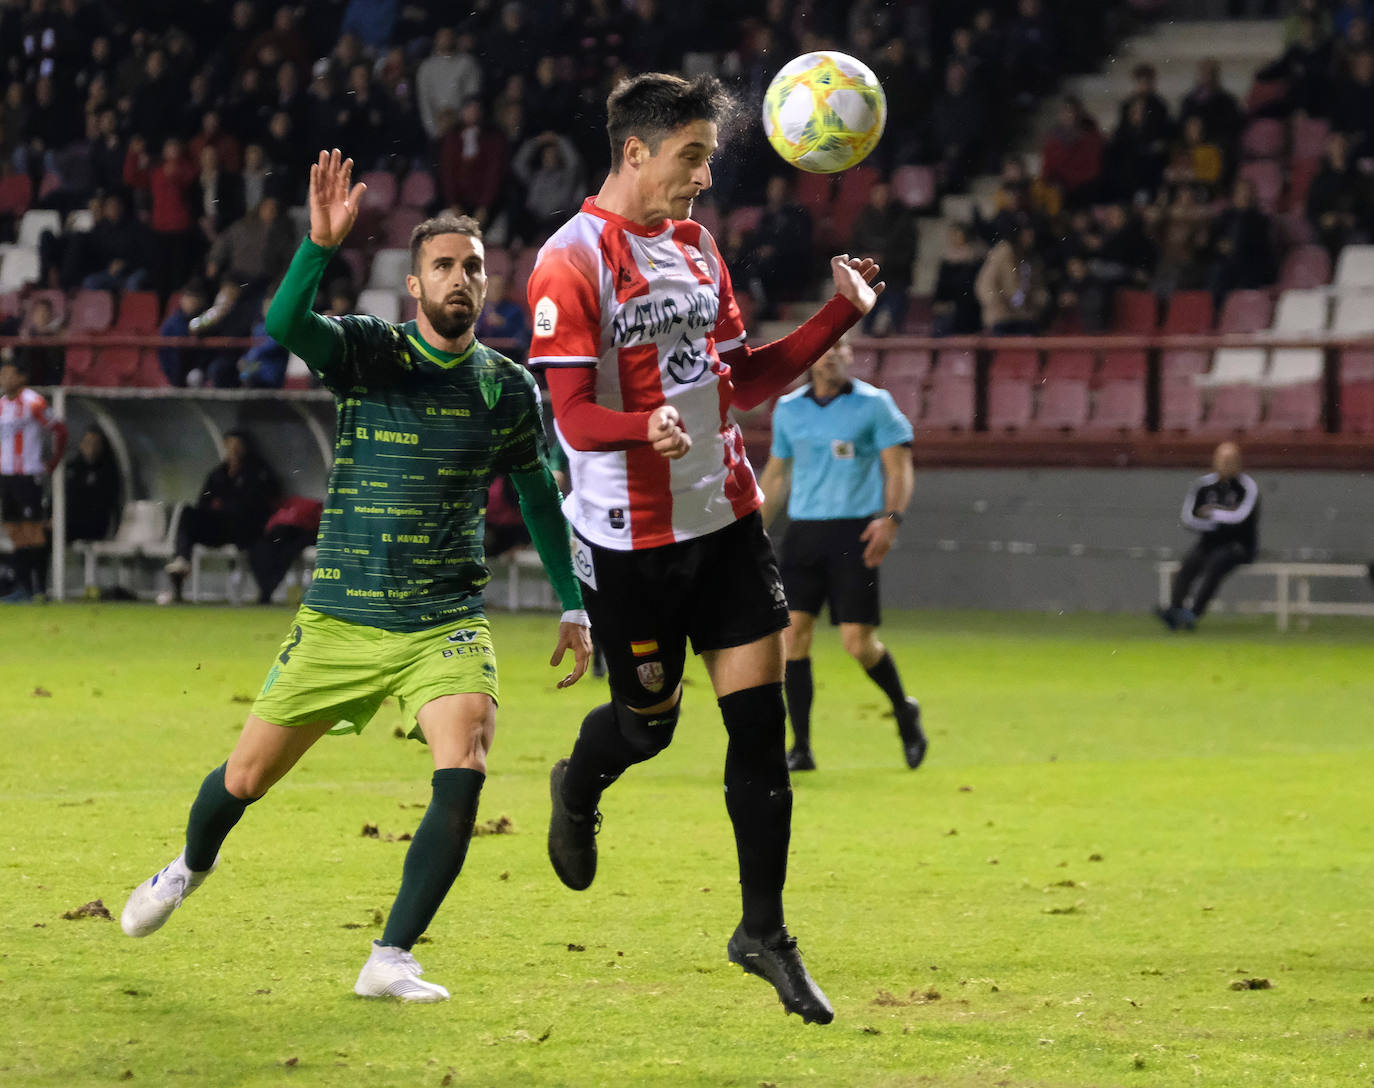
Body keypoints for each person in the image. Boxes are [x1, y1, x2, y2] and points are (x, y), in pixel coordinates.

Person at [122, 150, 593, 1003]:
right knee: (245, 779)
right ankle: (187, 867)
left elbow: (534, 494)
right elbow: (286, 326)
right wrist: (316, 245)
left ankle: (391, 956)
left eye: (473, 267)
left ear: (489, 286)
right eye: (443, 266)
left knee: (470, 754)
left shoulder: (507, 388)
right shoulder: (373, 354)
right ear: (413, 287)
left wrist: (572, 602)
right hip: (341, 615)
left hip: (443, 620)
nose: (460, 278)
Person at [527, 73, 884, 1026]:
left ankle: (763, 930)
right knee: (648, 727)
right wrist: (639, 428)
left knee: (759, 733)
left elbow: (742, 381)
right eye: (691, 157)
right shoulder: (571, 261)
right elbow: (569, 416)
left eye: (709, 159)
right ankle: (579, 781)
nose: (702, 177)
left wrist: (836, 313)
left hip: (723, 520)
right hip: (630, 543)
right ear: (636, 151)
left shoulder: (696, 249)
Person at [756, 340, 923, 773]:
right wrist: (752, 530)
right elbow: (776, 474)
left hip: (854, 531)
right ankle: (802, 747)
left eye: (840, 346)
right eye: (823, 348)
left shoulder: (875, 405)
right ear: (808, 359)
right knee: (793, 638)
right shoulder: (789, 409)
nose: (830, 353)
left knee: (857, 643)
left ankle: (904, 709)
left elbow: (899, 467)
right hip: (804, 533)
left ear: (851, 355)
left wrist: (891, 519)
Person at [162, 430, 281, 602]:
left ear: (245, 448)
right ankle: (182, 560)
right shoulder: (218, 474)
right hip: (219, 527)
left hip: (244, 529)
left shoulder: (258, 472)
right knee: (188, 513)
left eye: (237, 446)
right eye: (229, 445)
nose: (233, 450)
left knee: (236, 516)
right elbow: (203, 502)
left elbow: (262, 503)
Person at [1157, 441, 1260, 631]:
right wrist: (1217, 520)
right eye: (1222, 459)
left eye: (1230, 460)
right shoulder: (1204, 485)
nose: (1226, 463)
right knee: (1187, 566)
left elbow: (1240, 517)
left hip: (1238, 545)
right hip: (1209, 543)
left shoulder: (1247, 487)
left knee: (1216, 564)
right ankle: (1175, 610)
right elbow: (1188, 517)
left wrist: (1212, 513)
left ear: (1238, 462)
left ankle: (1194, 613)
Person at [0, 359, 67, 602]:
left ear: (21, 378)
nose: (3, 379)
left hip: (29, 475)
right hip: (6, 476)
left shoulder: (34, 402)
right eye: (2, 374)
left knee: (34, 532)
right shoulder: (1, 405)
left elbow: (59, 430)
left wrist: (52, 462)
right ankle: (23, 588)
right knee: (15, 531)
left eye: (8, 374)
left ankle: (40, 589)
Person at [64, 425, 121, 543]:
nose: (91, 449)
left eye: (96, 444)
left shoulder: (108, 472)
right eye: (87, 443)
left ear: (102, 447)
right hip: (66, 523)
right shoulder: (72, 468)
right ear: (81, 445)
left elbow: (108, 505)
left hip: (92, 528)